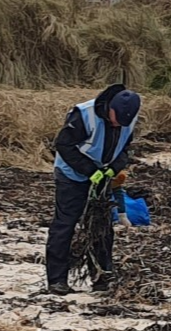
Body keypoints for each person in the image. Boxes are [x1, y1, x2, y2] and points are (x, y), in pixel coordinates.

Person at [45, 83, 140, 295]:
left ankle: (101, 275)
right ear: (110, 108)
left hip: (102, 176)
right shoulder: (84, 114)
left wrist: (113, 168)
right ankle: (57, 280)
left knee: (102, 227)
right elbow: (63, 145)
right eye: (116, 120)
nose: (118, 126)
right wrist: (89, 170)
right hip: (72, 175)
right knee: (65, 225)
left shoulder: (128, 118)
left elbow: (125, 149)